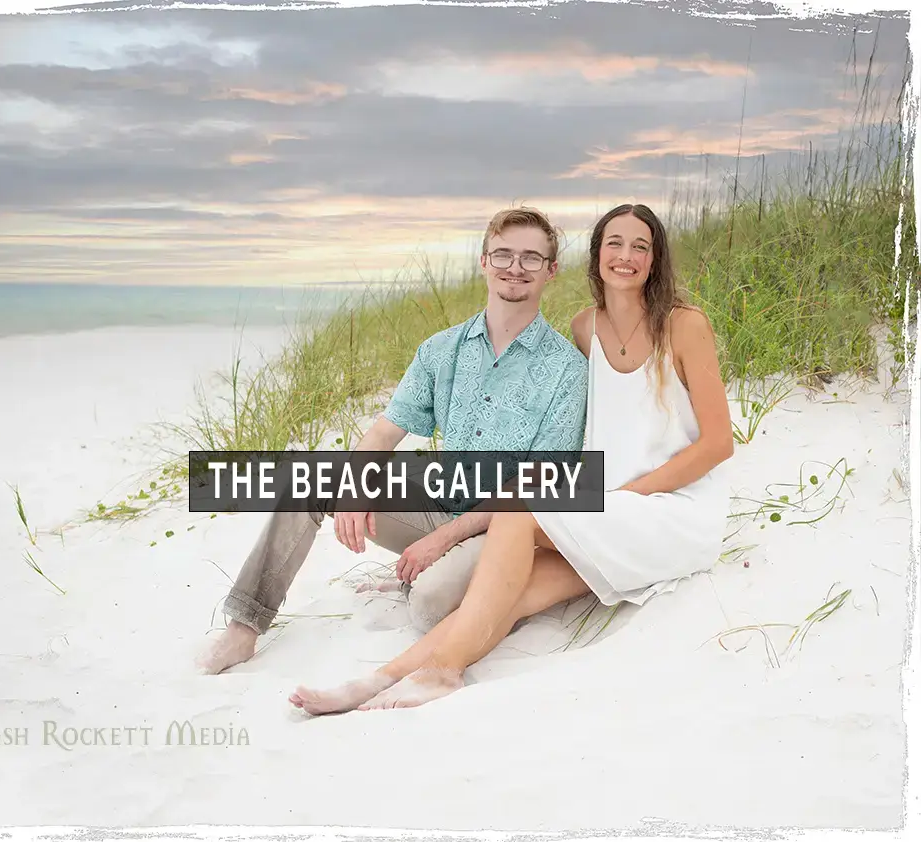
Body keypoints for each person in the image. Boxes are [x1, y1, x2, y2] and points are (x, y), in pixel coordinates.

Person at [289, 202, 734, 713]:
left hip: (670, 512)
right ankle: (374, 681)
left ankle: (444, 672)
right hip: (608, 508)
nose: (626, 256)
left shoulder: (685, 325)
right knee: (509, 591)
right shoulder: (587, 328)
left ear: (655, 259)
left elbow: (718, 443)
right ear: (596, 256)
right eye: (615, 243)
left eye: (641, 246)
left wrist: (624, 498)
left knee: (518, 513)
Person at [197, 206, 589, 675]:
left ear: (551, 270)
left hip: (502, 527)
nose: (515, 268)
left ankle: (420, 578)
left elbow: (539, 481)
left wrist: (442, 539)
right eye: (503, 255)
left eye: (531, 258)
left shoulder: (567, 370)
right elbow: (385, 432)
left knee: (428, 606)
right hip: (440, 497)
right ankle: (244, 627)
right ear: (483, 262)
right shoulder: (440, 350)